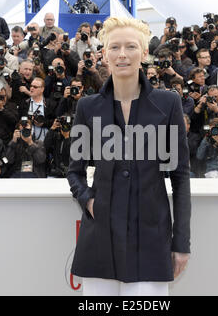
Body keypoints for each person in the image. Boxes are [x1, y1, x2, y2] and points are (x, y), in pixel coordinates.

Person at [67, 17, 191, 296]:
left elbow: (180, 177)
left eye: (131, 47)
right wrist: (87, 201)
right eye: (114, 47)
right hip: (99, 238)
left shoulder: (167, 103)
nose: (122, 54)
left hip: (152, 237)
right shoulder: (87, 107)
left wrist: (181, 242)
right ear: (105, 53)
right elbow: (74, 170)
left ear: (144, 53)